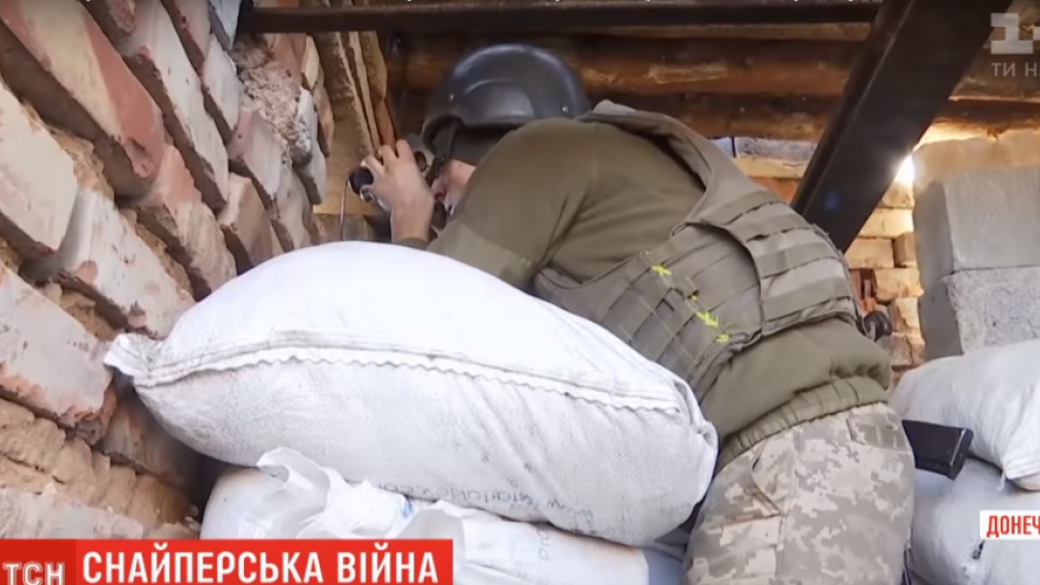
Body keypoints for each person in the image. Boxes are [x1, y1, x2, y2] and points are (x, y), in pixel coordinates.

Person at [363, 43, 914, 585]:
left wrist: (409, 218)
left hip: (791, 460)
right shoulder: (619, 178)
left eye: (439, 165)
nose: (437, 188)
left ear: (481, 137)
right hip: (813, 456)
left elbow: (423, 322)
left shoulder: (540, 152)